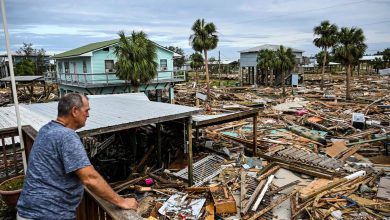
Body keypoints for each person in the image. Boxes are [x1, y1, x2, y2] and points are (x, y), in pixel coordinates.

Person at [17, 93, 137, 219]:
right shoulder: (67, 136)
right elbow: (90, 178)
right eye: (86, 110)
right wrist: (122, 201)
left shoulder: (46, 129)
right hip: (47, 215)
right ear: (75, 111)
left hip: (28, 211)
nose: (88, 115)